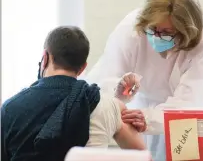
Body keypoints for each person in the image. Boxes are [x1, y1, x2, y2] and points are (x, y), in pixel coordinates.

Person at [86, 0, 203, 161]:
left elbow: (187, 102)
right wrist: (119, 93)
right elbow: (105, 81)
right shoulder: (132, 28)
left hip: (194, 117)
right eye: (153, 30)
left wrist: (148, 119)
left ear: (185, 32)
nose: (157, 37)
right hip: (145, 112)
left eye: (166, 33)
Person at [1, 26, 146, 161]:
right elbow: (143, 156)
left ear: (45, 58)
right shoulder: (105, 104)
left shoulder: (10, 108)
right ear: (83, 67)